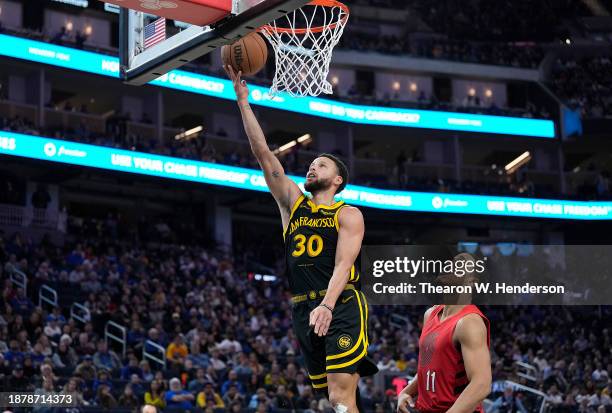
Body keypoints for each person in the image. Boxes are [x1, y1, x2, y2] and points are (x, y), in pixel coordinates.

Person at [226, 65, 378, 413]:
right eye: (311, 165)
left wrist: (327, 304)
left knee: (339, 398)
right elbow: (263, 154)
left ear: (338, 180)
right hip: (302, 308)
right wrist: (243, 102)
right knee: (337, 400)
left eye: (322, 166)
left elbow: (344, 263)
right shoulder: (293, 204)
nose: (313, 168)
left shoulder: (347, 214)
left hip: (340, 304)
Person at [397, 253, 492, 413]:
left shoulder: (469, 322)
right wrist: (406, 391)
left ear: (472, 282)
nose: (451, 265)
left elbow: (481, 384)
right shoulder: (431, 314)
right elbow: (428, 367)